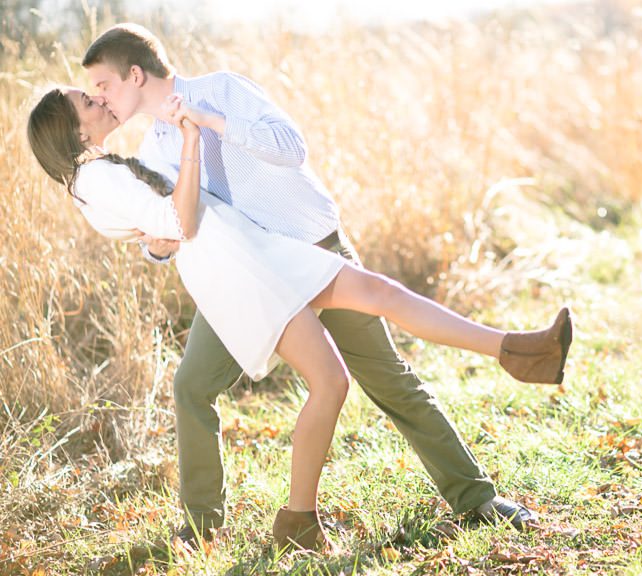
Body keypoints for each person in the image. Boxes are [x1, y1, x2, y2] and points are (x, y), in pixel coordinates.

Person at [27, 85, 574, 551]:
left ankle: (518, 351)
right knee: (331, 380)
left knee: (379, 293)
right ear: (74, 132)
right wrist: (192, 144)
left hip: (258, 249)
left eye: (96, 88)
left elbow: (165, 226)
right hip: (241, 270)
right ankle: (297, 519)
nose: (97, 98)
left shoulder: (110, 167)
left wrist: (162, 231)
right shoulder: (97, 179)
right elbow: (181, 220)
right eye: (86, 100)